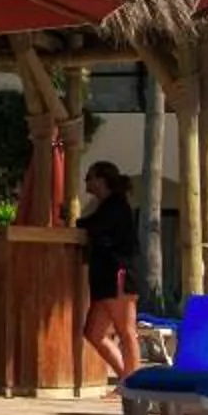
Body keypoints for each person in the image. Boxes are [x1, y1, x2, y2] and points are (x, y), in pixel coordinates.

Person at [79, 161, 144, 385]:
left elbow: (94, 227)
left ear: (100, 179)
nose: (86, 182)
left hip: (118, 276)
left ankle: (135, 385)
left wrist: (76, 222)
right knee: (94, 332)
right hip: (104, 280)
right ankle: (127, 379)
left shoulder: (116, 205)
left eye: (89, 177)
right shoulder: (107, 206)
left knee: (125, 331)